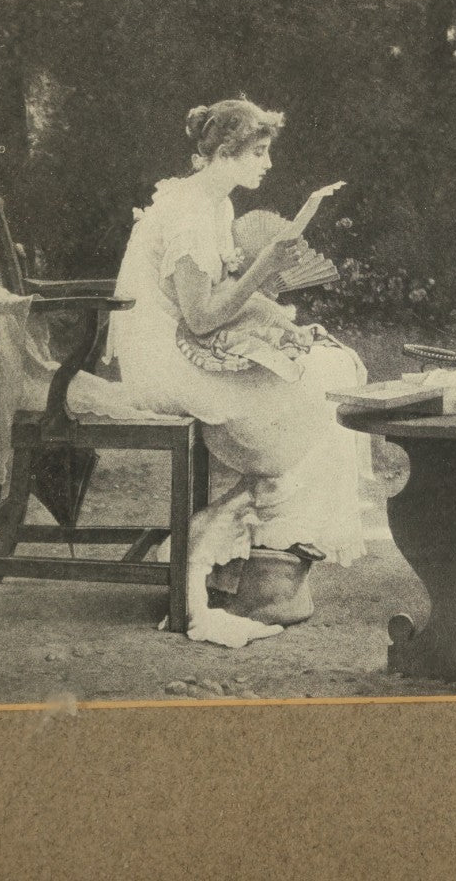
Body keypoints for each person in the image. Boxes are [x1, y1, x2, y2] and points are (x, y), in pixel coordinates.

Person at [108, 98, 372, 648]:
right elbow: (202, 317)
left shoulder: (214, 204)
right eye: (258, 152)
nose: (268, 164)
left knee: (329, 367)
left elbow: (219, 299)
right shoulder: (188, 211)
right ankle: (263, 565)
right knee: (324, 395)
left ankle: (260, 564)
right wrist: (263, 268)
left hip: (185, 345)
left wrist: (279, 321)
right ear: (225, 151)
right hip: (161, 359)